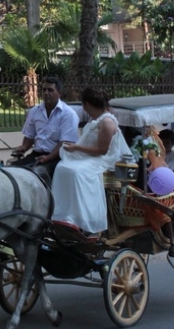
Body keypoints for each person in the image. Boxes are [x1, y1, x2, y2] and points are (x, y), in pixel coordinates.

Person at [50, 86, 132, 235]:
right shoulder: (96, 119)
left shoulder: (107, 123)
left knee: (76, 172)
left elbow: (102, 150)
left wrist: (76, 148)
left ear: (87, 104)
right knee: (62, 167)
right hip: (91, 156)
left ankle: (86, 217)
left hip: (104, 160)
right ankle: (63, 213)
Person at [10, 77, 80, 184]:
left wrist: (48, 157)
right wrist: (23, 147)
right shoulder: (35, 111)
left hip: (58, 157)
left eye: (50, 90)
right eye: (44, 90)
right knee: (12, 170)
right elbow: (30, 136)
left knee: (38, 173)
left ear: (59, 93)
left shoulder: (68, 114)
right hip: (37, 154)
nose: (46, 93)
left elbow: (65, 143)